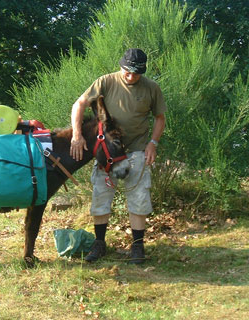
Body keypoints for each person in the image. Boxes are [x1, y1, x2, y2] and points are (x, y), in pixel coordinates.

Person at [70, 48, 166, 264]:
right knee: (101, 194)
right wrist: (77, 135)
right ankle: (100, 243)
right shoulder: (106, 81)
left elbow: (160, 117)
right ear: (121, 66)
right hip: (108, 152)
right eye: (127, 72)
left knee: (139, 197)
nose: (131, 77)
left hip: (137, 150)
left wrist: (153, 143)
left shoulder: (152, 88)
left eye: (136, 73)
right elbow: (80, 104)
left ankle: (137, 247)